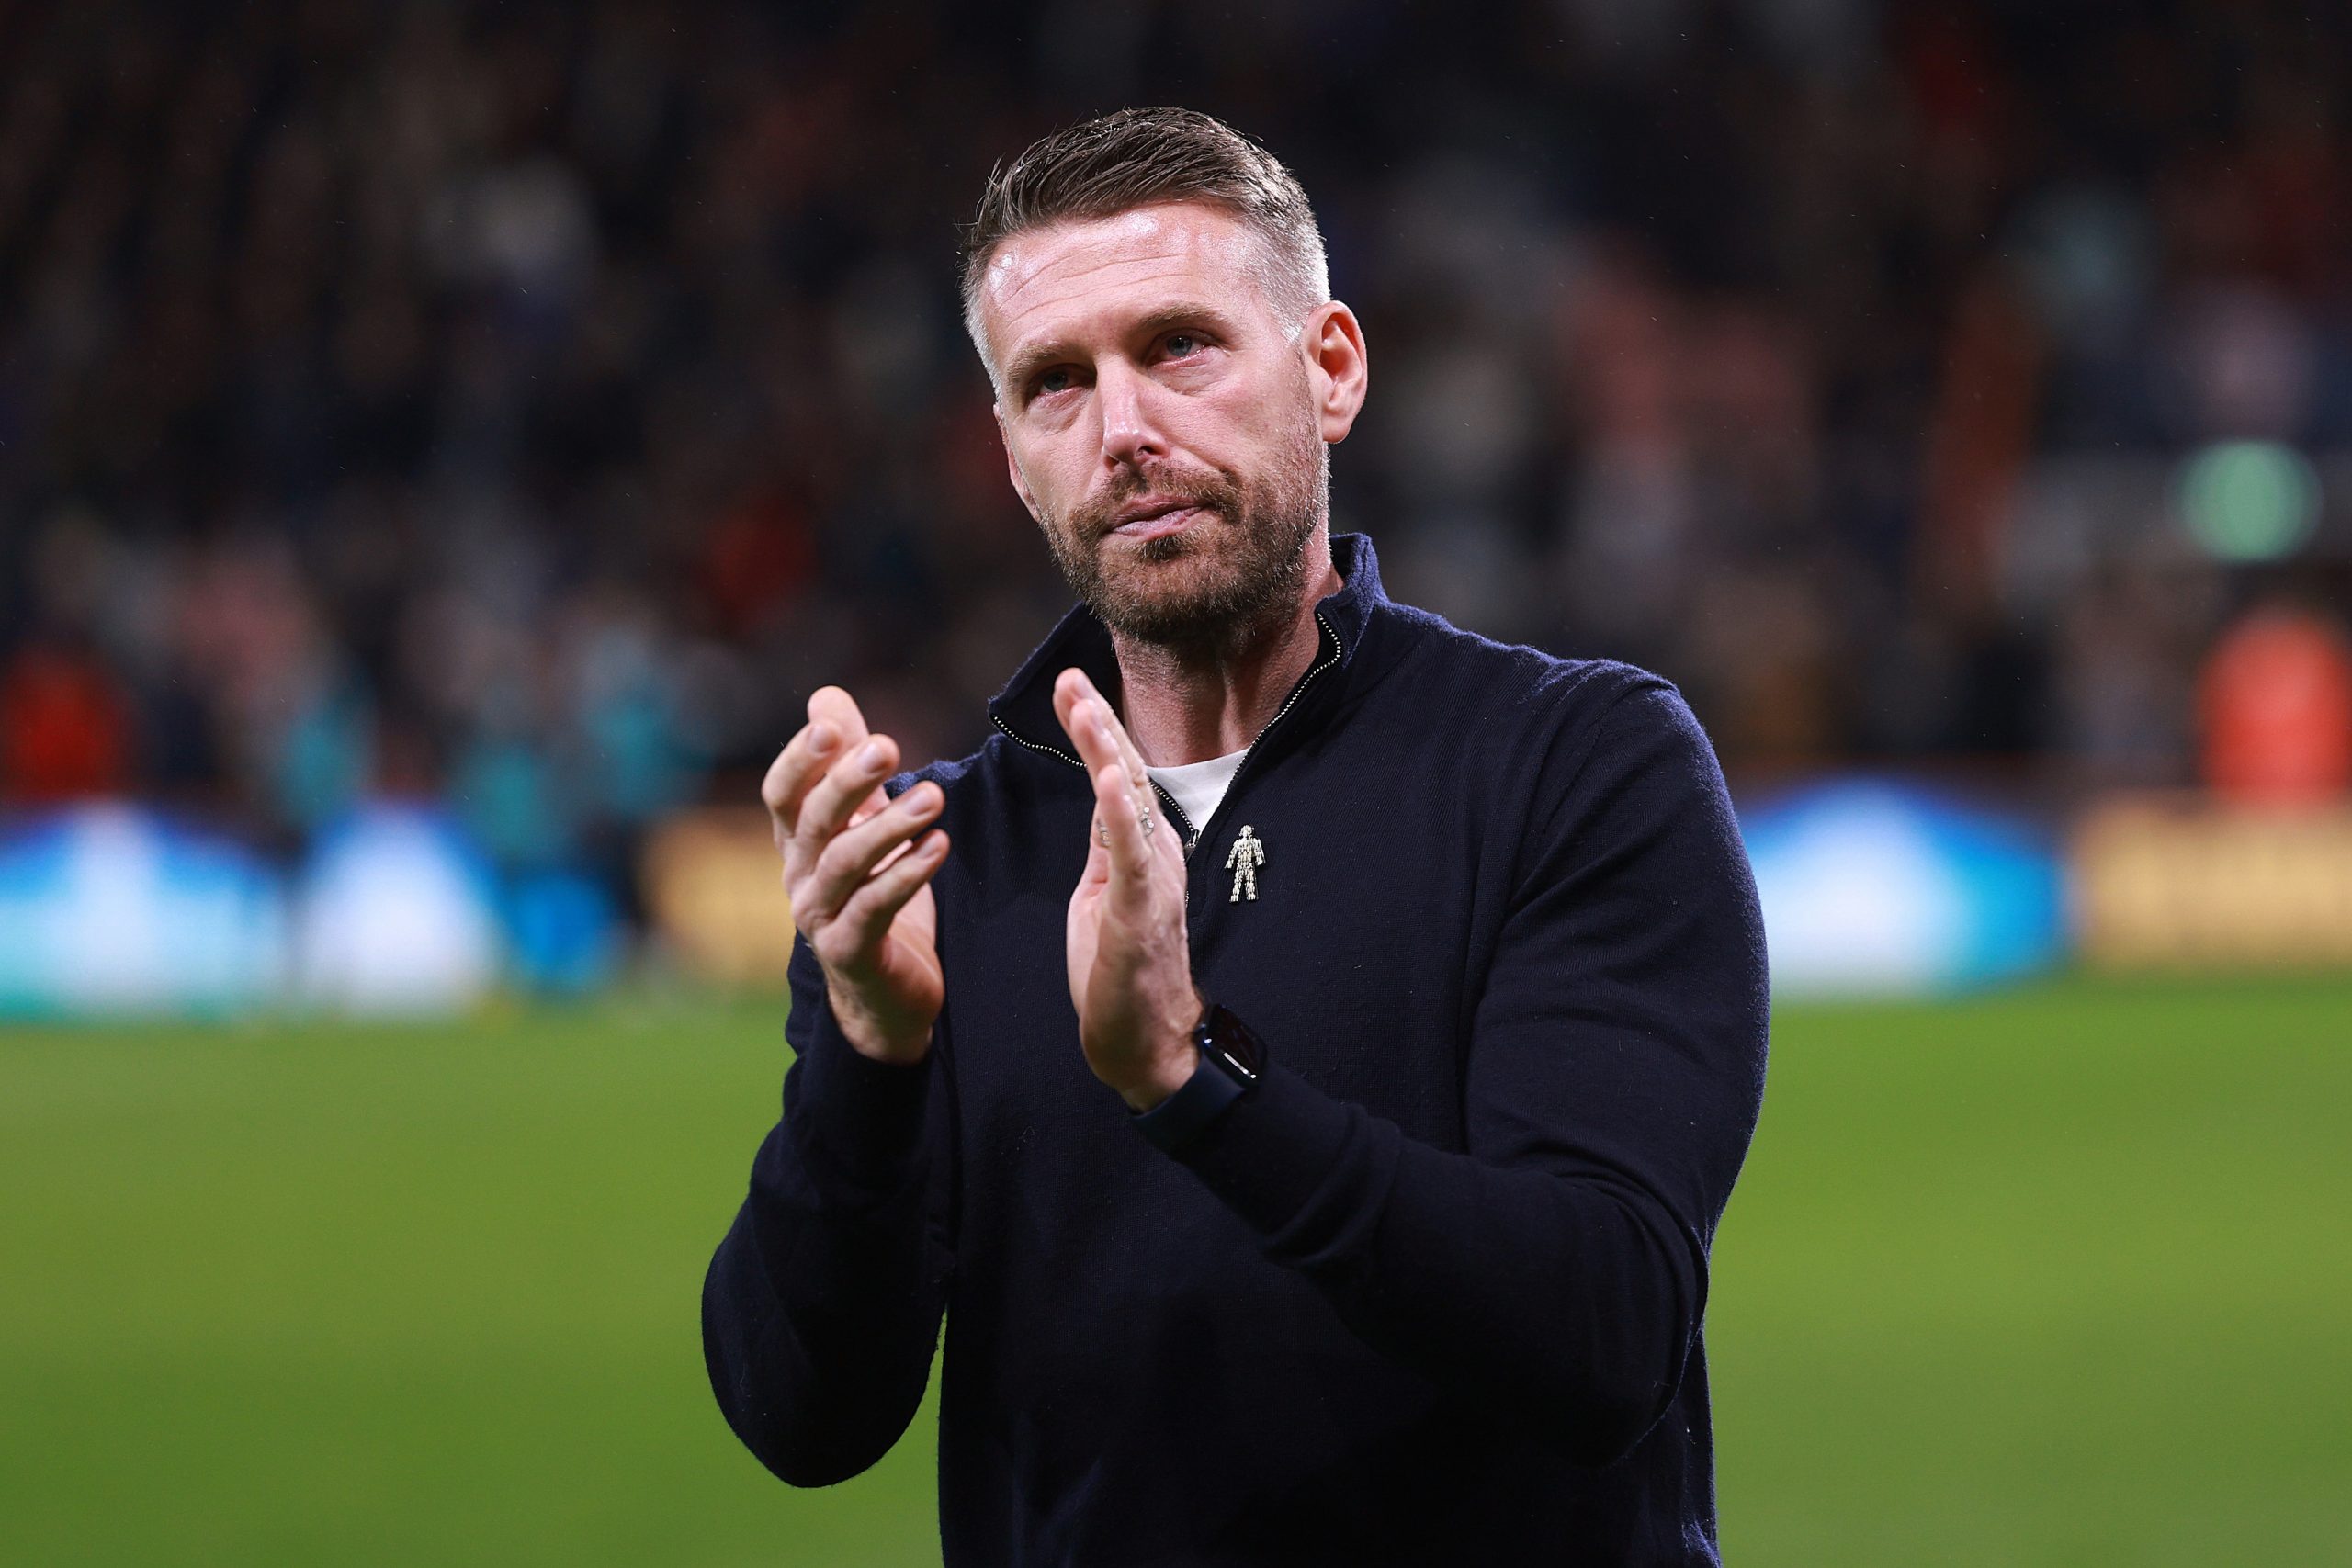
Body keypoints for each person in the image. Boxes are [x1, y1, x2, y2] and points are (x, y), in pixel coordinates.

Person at [703, 107, 1768, 1566]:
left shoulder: (1573, 765)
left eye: (1180, 346)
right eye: (1055, 384)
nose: (1125, 429)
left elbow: (1603, 1332)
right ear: (1013, 456)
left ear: (1330, 371)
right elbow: (801, 1420)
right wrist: (870, 1060)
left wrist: (1193, 1086)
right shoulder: (941, 862)